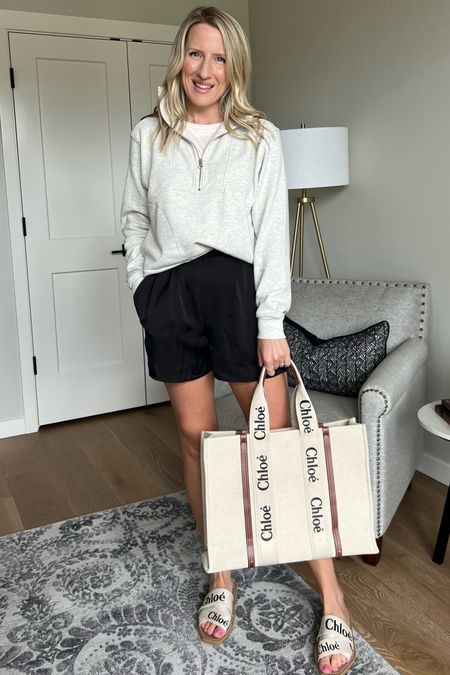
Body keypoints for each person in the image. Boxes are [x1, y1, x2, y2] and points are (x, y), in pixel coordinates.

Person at [121, 6, 354, 674]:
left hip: (238, 294)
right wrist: (144, 287)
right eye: (196, 54)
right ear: (179, 58)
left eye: (220, 58)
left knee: (278, 446)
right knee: (198, 443)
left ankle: (332, 596)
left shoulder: (260, 138)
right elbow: (134, 215)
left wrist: (271, 322)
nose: (206, 69)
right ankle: (221, 573)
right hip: (171, 296)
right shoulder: (148, 136)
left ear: (235, 68)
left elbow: (273, 238)